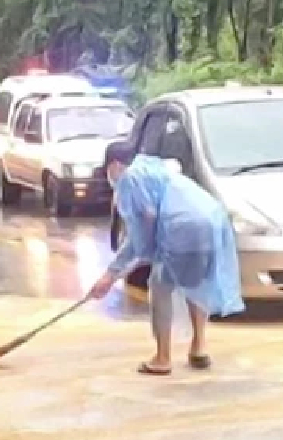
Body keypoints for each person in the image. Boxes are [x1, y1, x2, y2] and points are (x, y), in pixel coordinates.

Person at [87, 143, 244, 374]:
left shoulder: (129, 179)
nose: (110, 177)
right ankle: (199, 347)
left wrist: (110, 275)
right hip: (210, 220)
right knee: (196, 283)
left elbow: (142, 230)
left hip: (180, 227)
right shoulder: (158, 170)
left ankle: (163, 358)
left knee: (160, 287)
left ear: (115, 165)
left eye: (108, 170)